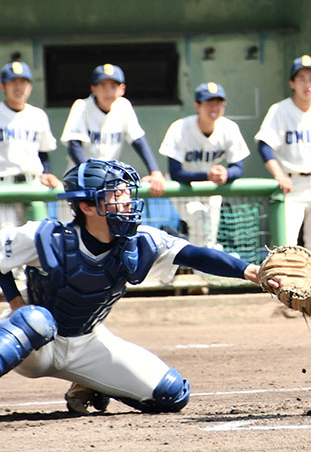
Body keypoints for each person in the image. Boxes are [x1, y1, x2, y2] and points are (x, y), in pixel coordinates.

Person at [0, 159, 278, 415]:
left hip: (87, 342)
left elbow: (194, 254)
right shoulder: (48, 236)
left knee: (172, 394)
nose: (127, 200)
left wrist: (251, 271)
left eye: (126, 192)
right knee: (36, 319)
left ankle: (91, 383)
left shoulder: (139, 240)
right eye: (116, 194)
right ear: (87, 206)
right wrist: (14, 301)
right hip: (34, 344)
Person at [255, 55, 311, 299]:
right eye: (301, 78)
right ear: (292, 83)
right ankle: (288, 295)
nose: (307, 84)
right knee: (286, 244)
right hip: (292, 183)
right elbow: (264, 145)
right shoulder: (280, 110)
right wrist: (279, 174)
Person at [158, 82, 250, 248]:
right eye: (208, 103)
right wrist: (208, 175)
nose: (214, 108)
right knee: (199, 221)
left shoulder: (229, 128)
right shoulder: (180, 128)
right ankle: (198, 270)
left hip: (211, 187)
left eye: (218, 103)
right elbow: (176, 171)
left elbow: (238, 168)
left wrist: (226, 174)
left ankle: (202, 270)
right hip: (183, 187)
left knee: (210, 235)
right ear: (197, 106)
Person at [60, 64, 166, 197]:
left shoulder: (124, 106)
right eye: (103, 85)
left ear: (122, 89)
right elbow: (74, 146)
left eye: (113, 86)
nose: (108, 92)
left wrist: (155, 171)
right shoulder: (81, 106)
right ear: (93, 88)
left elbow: (138, 140)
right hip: (79, 179)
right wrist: (90, 175)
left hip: (106, 181)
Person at [0, 61, 61, 228]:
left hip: (33, 185)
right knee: (6, 244)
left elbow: (43, 152)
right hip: (4, 186)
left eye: (23, 82)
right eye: (13, 82)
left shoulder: (38, 115)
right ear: (3, 86)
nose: (18, 87)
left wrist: (47, 173)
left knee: (37, 241)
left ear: (30, 86)